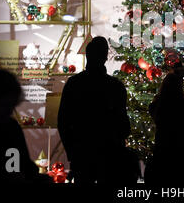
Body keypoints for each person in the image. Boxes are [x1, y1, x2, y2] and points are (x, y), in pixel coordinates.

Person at [58, 36, 138, 184]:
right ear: (105, 57)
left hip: (82, 153)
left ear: (88, 55)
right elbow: (123, 126)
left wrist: (72, 152)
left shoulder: (74, 84)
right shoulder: (115, 86)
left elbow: (63, 122)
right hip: (110, 154)